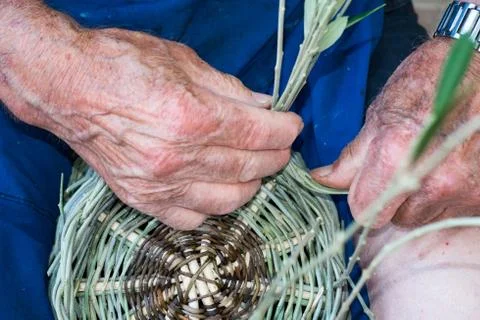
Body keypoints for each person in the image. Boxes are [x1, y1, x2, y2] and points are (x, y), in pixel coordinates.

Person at [0, 0, 478, 319]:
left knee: (439, 241)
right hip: (32, 42)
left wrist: (470, 47)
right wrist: (47, 62)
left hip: (311, 33)